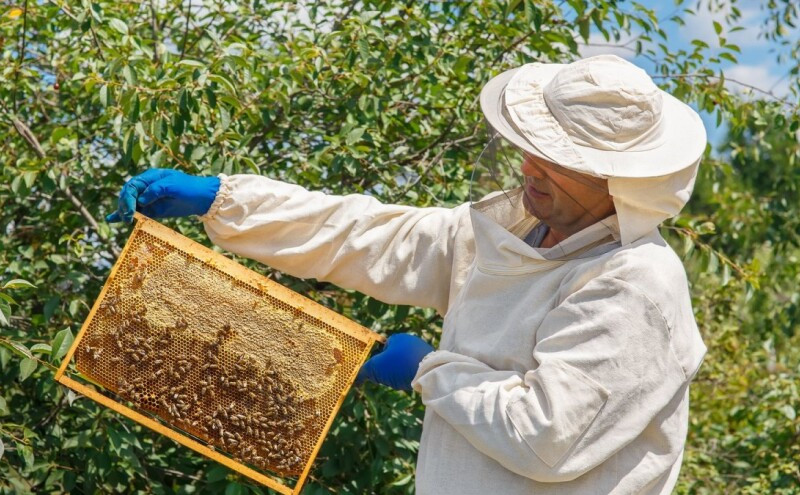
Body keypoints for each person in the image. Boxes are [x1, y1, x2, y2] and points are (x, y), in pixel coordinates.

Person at [107, 54, 707, 494]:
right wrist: (222, 200)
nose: (529, 167)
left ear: (614, 179)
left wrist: (428, 372)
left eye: (554, 160)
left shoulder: (634, 282)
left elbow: (545, 436)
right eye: (530, 147)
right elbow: (362, 234)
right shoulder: (513, 235)